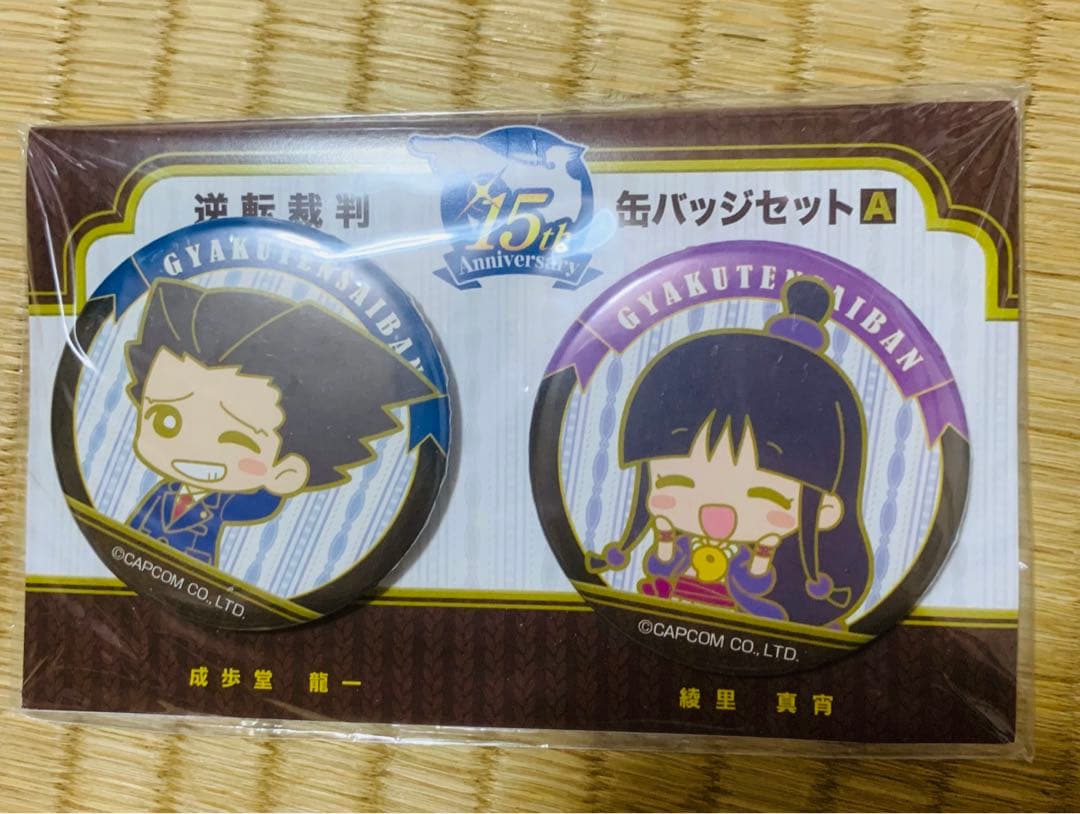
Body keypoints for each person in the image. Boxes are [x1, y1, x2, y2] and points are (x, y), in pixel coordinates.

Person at [124, 278, 435, 567]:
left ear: (287, 473)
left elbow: (259, 505)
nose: (192, 447)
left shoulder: (236, 505)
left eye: (233, 440)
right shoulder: (166, 492)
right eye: (166, 421)